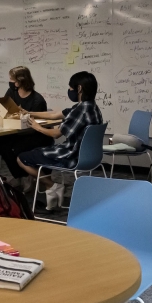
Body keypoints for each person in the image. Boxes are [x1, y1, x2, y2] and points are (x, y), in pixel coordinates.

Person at [16, 70, 104, 210]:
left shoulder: (80, 111)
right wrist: (29, 112)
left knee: (22, 158)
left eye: (70, 88)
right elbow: (55, 115)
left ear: (79, 88)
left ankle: (52, 185)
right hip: (91, 157)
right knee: (37, 151)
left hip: (71, 156)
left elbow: (56, 134)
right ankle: (52, 188)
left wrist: (37, 127)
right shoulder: (91, 107)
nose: (69, 91)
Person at [0, 66, 52, 182]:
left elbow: (36, 125)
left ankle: (25, 176)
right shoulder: (12, 92)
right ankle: (21, 176)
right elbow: (4, 109)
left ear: (20, 81)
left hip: (33, 134)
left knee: (17, 147)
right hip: (16, 130)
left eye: (12, 79)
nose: (10, 82)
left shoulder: (37, 100)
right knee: (1, 142)